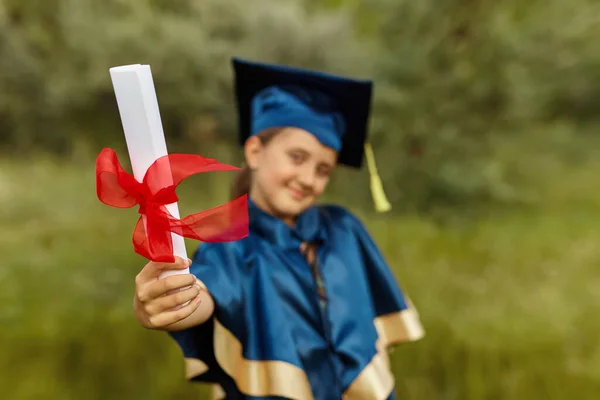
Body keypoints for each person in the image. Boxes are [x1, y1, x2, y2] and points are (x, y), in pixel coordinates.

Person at [132, 57, 425, 400]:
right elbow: (202, 295)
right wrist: (165, 302)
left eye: (323, 169)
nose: (308, 179)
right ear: (255, 151)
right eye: (297, 157)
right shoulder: (228, 246)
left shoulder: (345, 230)